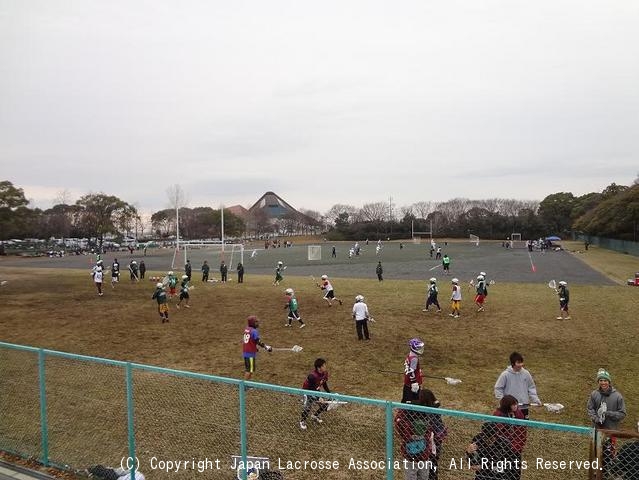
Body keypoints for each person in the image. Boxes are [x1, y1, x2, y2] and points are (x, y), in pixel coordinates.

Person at [587, 369, 626, 472]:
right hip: (596, 430)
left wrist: (608, 413)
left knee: (609, 455)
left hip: (611, 431)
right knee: (595, 452)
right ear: (598, 382)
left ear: (609, 381)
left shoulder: (617, 396)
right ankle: (596, 472)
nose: (603, 382)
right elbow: (590, 408)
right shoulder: (594, 394)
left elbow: (622, 414)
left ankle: (607, 473)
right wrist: (595, 417)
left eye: (605, 380)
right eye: (601, 380)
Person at [395, 388, 434, 480]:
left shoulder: (428, 414)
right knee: (412, 476)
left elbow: (431, 429)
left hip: (422, 454)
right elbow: (399, 424)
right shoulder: (406, 413)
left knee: (423, 476)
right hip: (411, 454)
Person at [494, 352, 541, 420]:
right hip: (509, 408)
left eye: (521, 362)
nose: (520, 365)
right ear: (513, 363)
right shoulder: (505, 374)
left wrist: (536, 399)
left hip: (523, 407)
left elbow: (531, 387)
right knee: (508, 428)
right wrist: (503, 401)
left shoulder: (526, 373)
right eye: (518, 363)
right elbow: (498, 388)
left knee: (522, 428)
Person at [492, 395, 527, 480]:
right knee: (499, 472)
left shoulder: (518, 413)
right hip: (500, 449)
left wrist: (516, 447)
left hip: (515, 449)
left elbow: (522, 432)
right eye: (513, 405)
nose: (516, 406)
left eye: (516, 404)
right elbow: (495, 432)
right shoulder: (498, 415)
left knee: (514, 472)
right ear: (507, 405)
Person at [420, 389, 447, 480]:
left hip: (431, 442)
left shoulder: (427, 413)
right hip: (436, 442)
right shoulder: (435, 409)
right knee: (433, 464)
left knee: (429, 465)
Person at [300, 358, 331, 430]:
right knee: (308, 408)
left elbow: (324, 383)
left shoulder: (325, 373)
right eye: (324, 366)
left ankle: (314, 416)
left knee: (325, 405)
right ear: (319, 368)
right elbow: (311, 389)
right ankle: (302, 421)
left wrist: (329, 394)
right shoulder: (312, 376)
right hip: (307, 391)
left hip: (316, 390)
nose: (325, 367)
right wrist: (318, 398)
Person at [242, 315, 272, 380]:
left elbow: (250, 341)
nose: (257, 323)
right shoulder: (254, 331)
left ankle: (246, 384)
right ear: (252, 323)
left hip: (246, 352)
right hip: (250, 354)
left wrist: (255, 348)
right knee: (249, 370)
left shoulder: (247, 329)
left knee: (249, 369)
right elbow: (257, 341)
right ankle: (243, 386)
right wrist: (266, 347)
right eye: (255, 322)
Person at [402, 338, 425, 403]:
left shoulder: (410, 355)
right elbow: (411, 372)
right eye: (419, 348)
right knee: (413, 401)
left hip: (407, 383)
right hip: (412, 385)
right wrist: (414, 383)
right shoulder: (414, 359)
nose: (421, 349)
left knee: (405, 399)